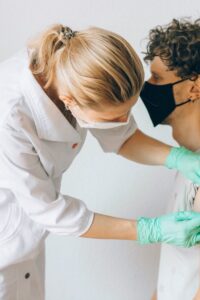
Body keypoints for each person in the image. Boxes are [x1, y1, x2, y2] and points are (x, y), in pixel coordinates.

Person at [0, 24, 200, 300]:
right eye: (115, 118)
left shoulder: (75, 68)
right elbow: (50, 212)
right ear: (70, 101)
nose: (124, 123)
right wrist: (149, 229)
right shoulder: (10, 115)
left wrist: (178, 158)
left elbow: (123, 138)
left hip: (27, 243)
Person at [140, 18, 200, 300]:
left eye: (157, 78)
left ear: (194, 88)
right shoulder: (186, 162)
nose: (147, 88)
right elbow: (177, 266)